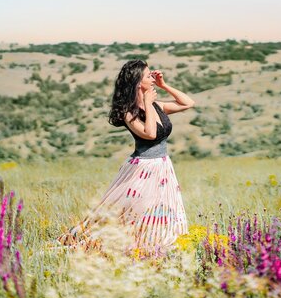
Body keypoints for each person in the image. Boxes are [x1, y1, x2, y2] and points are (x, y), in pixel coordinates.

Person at [61, 59, 195, 256]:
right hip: (143, 168)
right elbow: (149, 134)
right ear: (138, 82)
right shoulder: (128, 112)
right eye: (148, 75)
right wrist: (147, 103)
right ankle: (122, 245)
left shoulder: (157, 105)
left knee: (163, 209)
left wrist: (164, 85)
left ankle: (155, 247)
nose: (152, 77)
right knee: (137, 209)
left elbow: (188, 103)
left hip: (163, 167)